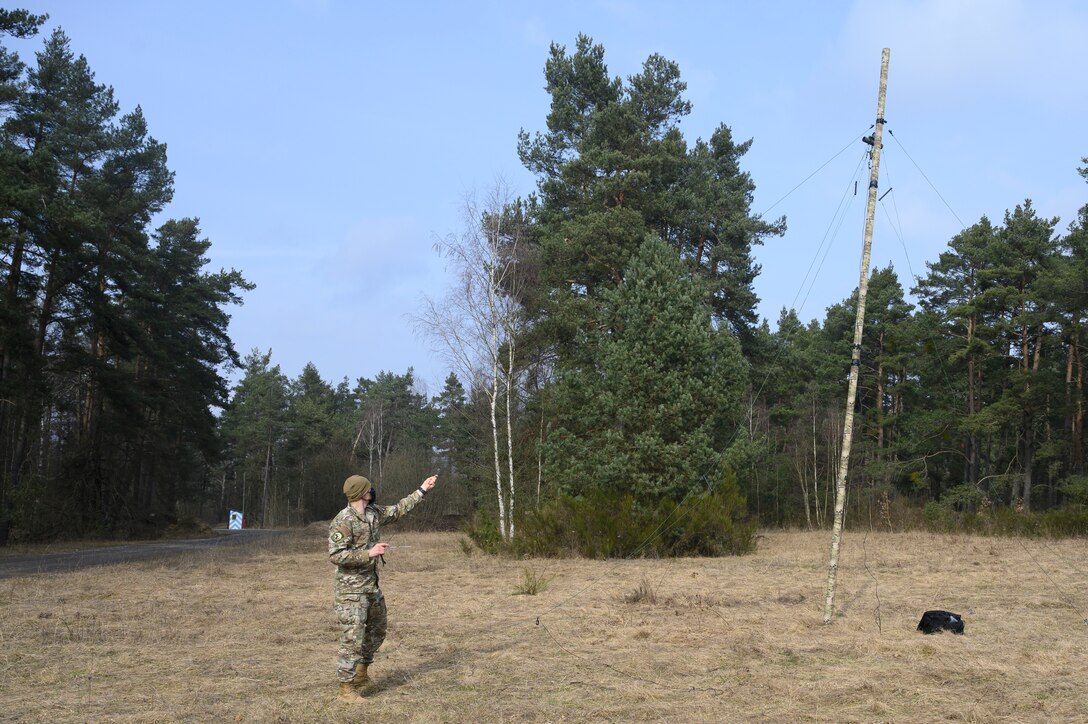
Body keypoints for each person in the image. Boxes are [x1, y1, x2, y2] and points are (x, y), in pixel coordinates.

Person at [328, 473, 438, 703]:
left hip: (371, 585)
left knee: (378, 629)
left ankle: (361, 672)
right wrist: (369, 553)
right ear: (360, 493)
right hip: (351, 591)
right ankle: (346, 690)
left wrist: (423, 489)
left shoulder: (373, 513)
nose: (373, 490)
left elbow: (398, 510)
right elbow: (336, 555)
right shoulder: (343, 520)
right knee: (352, 637)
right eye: (368, 488)